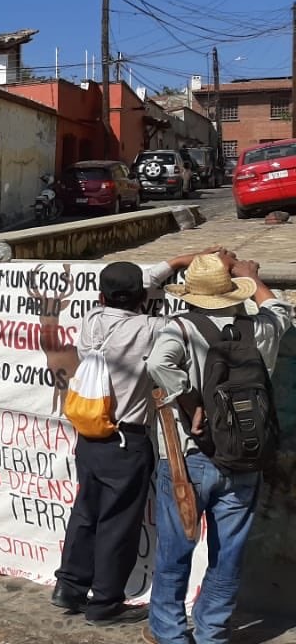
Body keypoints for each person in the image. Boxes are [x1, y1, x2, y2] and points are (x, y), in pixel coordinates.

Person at [51, 253, 208, 626]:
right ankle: (105, 603)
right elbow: (182, 321)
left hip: (89, 438)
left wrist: (168, 264)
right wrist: (179, 266)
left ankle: (69, 586)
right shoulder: (153, 329)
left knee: (86, 512)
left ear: (102, 298)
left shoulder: (91, 321)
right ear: (141, 298)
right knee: (118, 523)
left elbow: (132, 288)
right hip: (126, 440)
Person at [144, 253, 292, 644]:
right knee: (228, 554)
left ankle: (171, 633)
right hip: (246, 457)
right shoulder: (259, 330)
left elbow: (158, 364)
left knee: (176, 550)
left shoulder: (181, 328)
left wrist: (191, 403)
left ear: (191, 294)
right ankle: (212, 632)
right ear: (232, 291)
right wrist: (252, 276)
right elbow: (280, 310)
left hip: (190, 459)